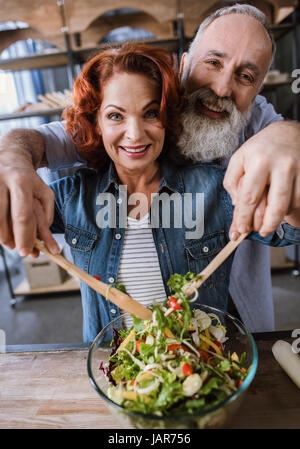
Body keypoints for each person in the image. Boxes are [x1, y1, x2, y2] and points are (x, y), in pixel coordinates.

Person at [0, 4, 300, 331]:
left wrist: (290, 134)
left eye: (245, 76)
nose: (222, 87)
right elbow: (41, 142)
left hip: (231, 334)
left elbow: (290, 226)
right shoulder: (78, 192)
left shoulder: (231, 167)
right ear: (184, 65)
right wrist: (12, 159)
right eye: (213, 62)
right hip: (114, 360)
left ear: (258, 89)